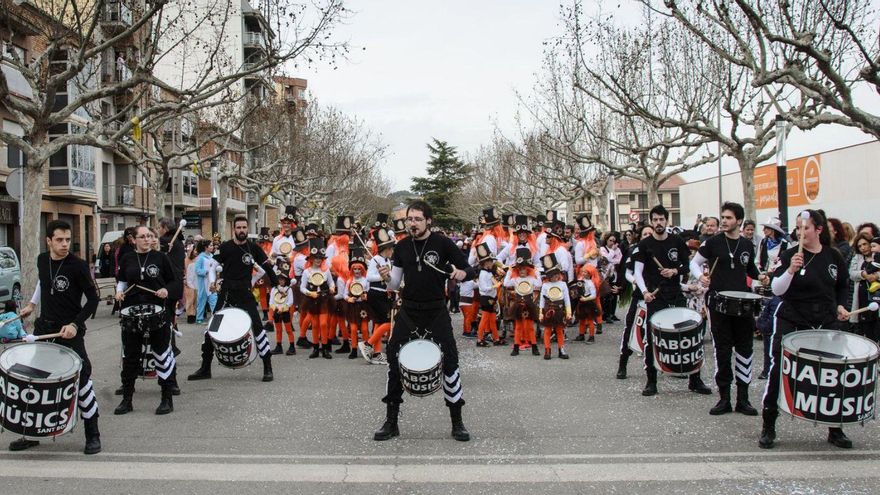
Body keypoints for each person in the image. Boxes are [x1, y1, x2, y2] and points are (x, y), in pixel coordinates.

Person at [373, 200, 475, 442]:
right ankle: (391, 421)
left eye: (418, 219)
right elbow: (395, 285)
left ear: (428, 220)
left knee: (450, 360)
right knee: (393, 359)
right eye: (410, 219)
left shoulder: (443, 243)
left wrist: (462, 274)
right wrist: (386, 278)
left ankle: (457, 421)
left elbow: (469, 270)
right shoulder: (402, 247)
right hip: (409, 310)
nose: (413, 223)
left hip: (436, 311)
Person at [759, 209, 852, 449]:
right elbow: (777, 290)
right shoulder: (790, 254)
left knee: (831, 376)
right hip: (793, 321)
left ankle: (835, 427)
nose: (800, 232)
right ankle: (769, 425)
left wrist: (842, 305)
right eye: (798, 228)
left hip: (825, 322)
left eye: (806, 228)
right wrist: (790, 270)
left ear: (819, 230)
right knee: (779, 371)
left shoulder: (833, 256)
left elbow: (842, 286)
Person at [14, 220, 101, 454]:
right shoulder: (43, 260)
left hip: (69, 333)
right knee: (35, 381)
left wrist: (75, 323)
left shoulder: (78, 266)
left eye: (67, 240)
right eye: (59, 240)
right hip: (44, 329)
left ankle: (93, 433)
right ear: (49, 241)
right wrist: (32, 304)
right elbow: (44, 282)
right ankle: (30, 433)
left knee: (82, 378)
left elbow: (93, 299)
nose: (64, 244)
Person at [690, 202, 767, 417]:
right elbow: (694, 263)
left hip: (743, 305)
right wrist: (701, 276)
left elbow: (750, 267)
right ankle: (724, 398)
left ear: (739, 221)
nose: (724, 221)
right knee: (722, 350)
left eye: (729, 218)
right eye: (722, 217)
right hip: (719, 303)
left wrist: (761, 276)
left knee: (745, 350)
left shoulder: (746, 245)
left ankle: (743, 398)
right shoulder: (713, 243)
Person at [188, 215, 278, 382]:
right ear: (234, 229)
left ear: (247, 229)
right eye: (239, 228)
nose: (242, 230)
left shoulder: (253, 248)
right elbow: (212, 265)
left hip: (245, 293)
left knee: (258, 328)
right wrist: (213, 281)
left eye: (244, 227)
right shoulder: (226, 247)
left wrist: (276, 284)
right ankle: (205, 368)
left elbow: (266, 266)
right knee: (211, 329)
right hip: (227, 293)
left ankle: (267, 367)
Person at [634, 205, 711, 397]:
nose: (659, 223)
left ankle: (695, 379)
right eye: (655, 220)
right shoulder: (645, 245)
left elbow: (687, 265)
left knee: (687, 337)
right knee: (652, 339)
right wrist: (645, 292)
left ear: (667, 221)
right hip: (655, 296)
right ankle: (651, 381)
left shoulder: (677, 241)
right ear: (651, 222)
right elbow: (638, 271)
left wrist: (675, 271)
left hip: (675, 294)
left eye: (662, 219)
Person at [114, 226, 178, 415]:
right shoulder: (127, 258)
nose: (146, 240)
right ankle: (127, 399)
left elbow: (174, 282)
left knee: (161, 354)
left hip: (158, 310)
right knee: (131, 356)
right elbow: (123, 280)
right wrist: (119, 291)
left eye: (149, 236)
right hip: (132, 311)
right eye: (142, 237)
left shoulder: (161, 258)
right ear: (133, 240)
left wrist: (166, 290)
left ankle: (166, 398)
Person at [616, 224, 653, 379]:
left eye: (650, 233)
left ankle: (664, 365)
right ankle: (623, 362)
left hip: (658, 296)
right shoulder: (635, 250)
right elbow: (628, 273)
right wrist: (635, 281)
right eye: (645, 234)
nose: (648, 236)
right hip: (639, 296)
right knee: (631, 328)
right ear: (640, 236)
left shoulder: (661, 249)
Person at [360, 228, 396, 364]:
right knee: (388, 323)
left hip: (385, 294)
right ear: (385, 249)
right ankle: (367, 344)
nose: (392, 252)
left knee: (379, 323)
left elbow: (389, 278)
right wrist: (381, 276)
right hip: (376, 294)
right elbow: (369, 278)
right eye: (391, 249)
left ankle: (376, 353)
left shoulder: (386, 261)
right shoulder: (376, 259)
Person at [300, 238, 336, 359]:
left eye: (320, 258)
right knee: (315, 324)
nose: (318, 260)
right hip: (312, 300)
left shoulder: (326, 271)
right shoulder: (306, 272)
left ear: (323, 259)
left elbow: (331, 283)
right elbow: (302, 287)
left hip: (324, 299)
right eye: (316, 258)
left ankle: (325, 348)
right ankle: (315, 348)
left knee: (324, 324)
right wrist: (310, 293)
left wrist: (332, 288)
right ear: (311, 259)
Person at [503, 247, 541, 356]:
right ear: (517, 270)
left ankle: (534, 347)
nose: (522, 271)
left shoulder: (531, 279)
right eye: (520, 269)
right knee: (518, 327)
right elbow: (505, 284)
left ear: (528, 269)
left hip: (529, 305)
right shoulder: (515, 280)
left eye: (524, 269)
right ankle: (516, 347)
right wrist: (510, 271)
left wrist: (536, 271)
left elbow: (539, 284)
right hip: (518, 305)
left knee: (529, 327)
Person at [538, 253, 572, 360]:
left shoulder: (563, 284)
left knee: (559, 330)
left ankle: (561, 349)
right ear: (548, 276)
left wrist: (569, 311)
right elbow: (542, 300)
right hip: (548, 309)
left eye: (556, 274)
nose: (554, 277)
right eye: (551, 275)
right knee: (547, 330)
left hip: (559, 309)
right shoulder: (545, 285)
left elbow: (567, 299)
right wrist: (540, 312)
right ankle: (547, 350)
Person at [269, 273, 296, 355]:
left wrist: (283, 308)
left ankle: (292, 347)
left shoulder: (289, 289)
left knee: (288, 330)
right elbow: (271, 302)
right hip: (276, 312)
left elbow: (290, 301)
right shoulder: (274, 289)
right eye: (279, 279)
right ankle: (278, 347)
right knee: (278, 330)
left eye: (282, 279)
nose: (281, 281)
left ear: (285, 280)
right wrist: (276, 308)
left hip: (285, 312)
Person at [194, 240, 217, 323]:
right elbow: (197, 270)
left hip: (211, 282)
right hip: (203, 282)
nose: (212, 247)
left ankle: (215, 317)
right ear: (206, 247)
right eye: (210, 245)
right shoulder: (200, 257)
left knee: (213, 299)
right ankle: (199, 318)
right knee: (201, 300)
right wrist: (206, 272)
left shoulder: (212, 256)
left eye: (212, 245)